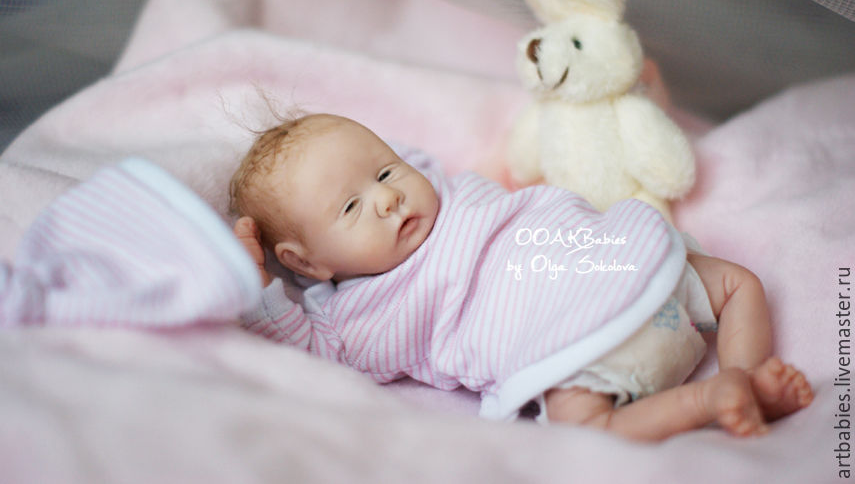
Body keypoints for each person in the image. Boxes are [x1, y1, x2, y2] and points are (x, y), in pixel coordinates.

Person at [229, 112, 812, 441]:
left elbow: (406, 161)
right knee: (585, 427)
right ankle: (712, 396)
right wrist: (255, 287)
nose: (386, 198)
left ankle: (744, 380)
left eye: (385, 172)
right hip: (580, 348)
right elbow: (307, 355)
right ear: (307, 264)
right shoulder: (361, 316)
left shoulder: (445, 191)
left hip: (626, 267)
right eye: (351, 208)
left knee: (738, 283)